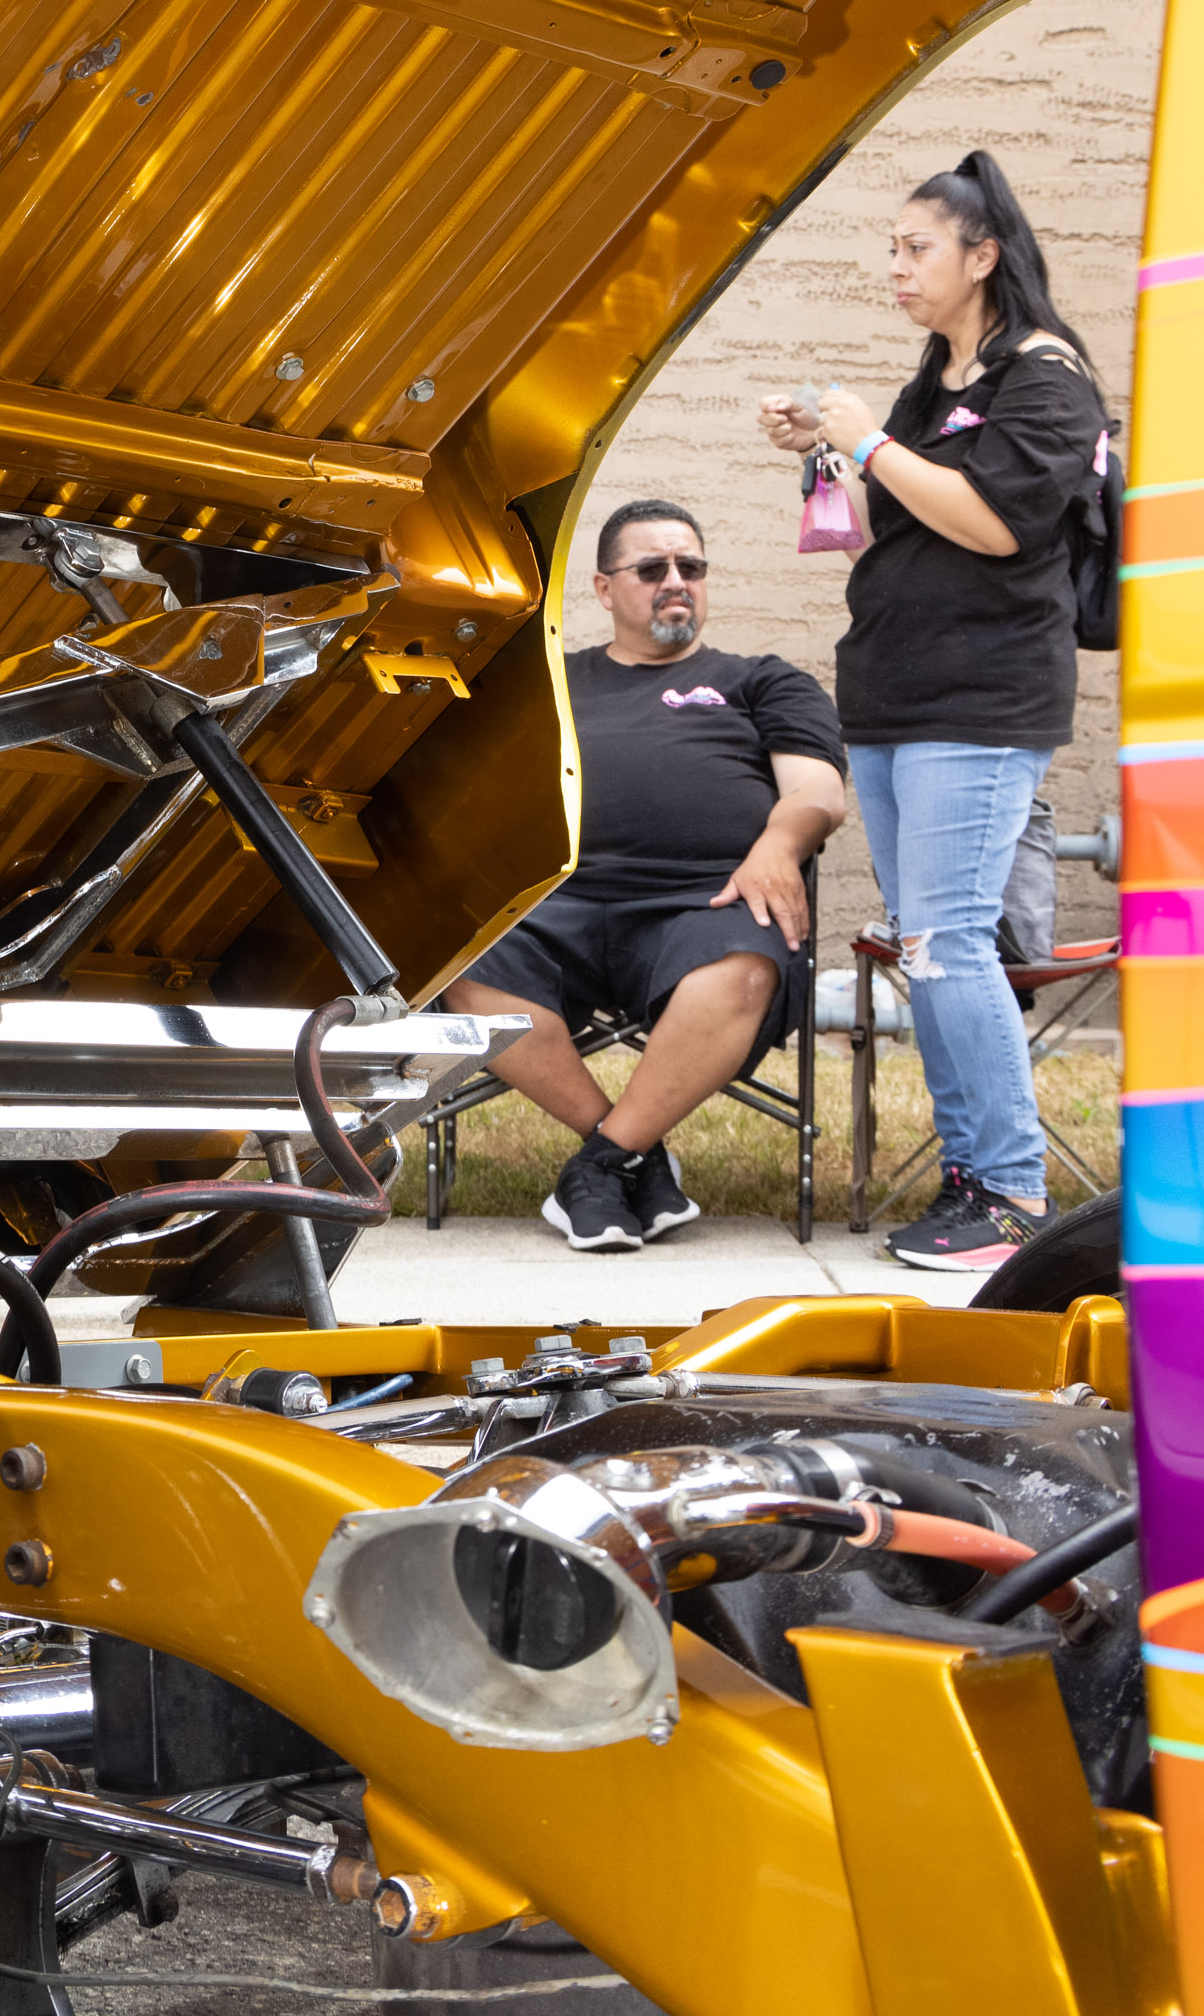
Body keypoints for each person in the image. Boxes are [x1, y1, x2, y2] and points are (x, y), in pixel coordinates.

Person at [757, 149, 1108, 1272]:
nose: (896, 267)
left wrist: (867, 440)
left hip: (983, 698)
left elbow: (997, 523)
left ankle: (1009, 1193)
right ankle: (970, 1180)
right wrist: (829, 447)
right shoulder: (940, 378)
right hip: (898, 694)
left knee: (953, 943)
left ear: (983, 255)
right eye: (893, 249)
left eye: (916, 248)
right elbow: (907, 511)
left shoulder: (1046, 378)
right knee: (927, 946)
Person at [445, 499, 846, 1252]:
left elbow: (818, 793)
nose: (675, 582)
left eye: (690, 568)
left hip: (702, 904)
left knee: (746, 966)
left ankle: (597, 1168)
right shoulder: (549, 683)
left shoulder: (760, 680)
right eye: (652, 568)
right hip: (555, 905)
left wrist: (776, 846)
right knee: (456, 957)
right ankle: (635, 1156)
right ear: (603, 589)